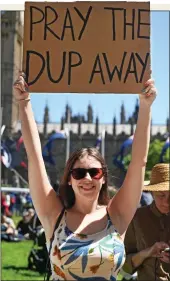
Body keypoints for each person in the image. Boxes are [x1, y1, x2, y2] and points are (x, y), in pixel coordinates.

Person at [13, 72, 156, 280]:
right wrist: (23, 102)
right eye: (79, 172)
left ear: (104, 177)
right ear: (70, 179)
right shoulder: (54, 216)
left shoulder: (117, 215)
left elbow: (138, 163)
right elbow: (35, 159)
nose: (87, 178)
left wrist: (145, 106)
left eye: (94, 172)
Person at [123, 163, 170, 281]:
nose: (167, 202)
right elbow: (125, 267)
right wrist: (148, 252)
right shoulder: (137, 218)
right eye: (161, 195)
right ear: (152, 193)